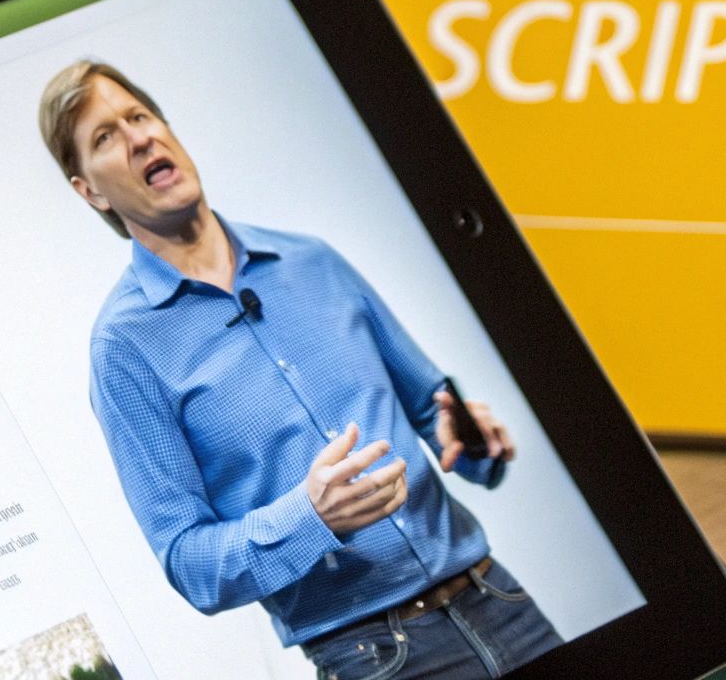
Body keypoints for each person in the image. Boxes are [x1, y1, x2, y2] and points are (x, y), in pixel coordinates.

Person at [38, 60, 563, 679]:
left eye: (140, 116)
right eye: (105, 137)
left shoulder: (313, 262)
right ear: (90, 191)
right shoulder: (126, 349)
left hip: (500, 600)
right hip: (376, 657)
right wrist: (310, 519)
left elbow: (436, 415)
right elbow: (190, 564)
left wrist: (475, 440)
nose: (138, 138)